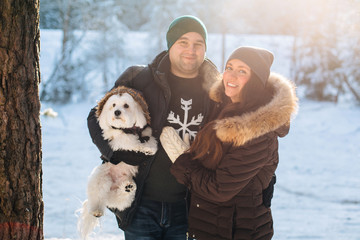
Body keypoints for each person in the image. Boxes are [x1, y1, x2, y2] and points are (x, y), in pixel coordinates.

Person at [87, 15, 222, 239]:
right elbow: (96, 115)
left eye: (199, 44)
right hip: (141, 204)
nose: (191, 49)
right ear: (170, 46)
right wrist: (115, 153)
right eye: (183, 42)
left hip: (189, 207)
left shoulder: (216, 90)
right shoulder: (140, 78)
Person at [164, 46, 298, 240]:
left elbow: (219, 188)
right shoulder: (223, 106)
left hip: (235, 230)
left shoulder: (256, 133)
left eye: (242, 71)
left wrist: (182, 161)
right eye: (229, 67)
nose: (231, 76)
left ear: (255, 81)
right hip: (213, 224)